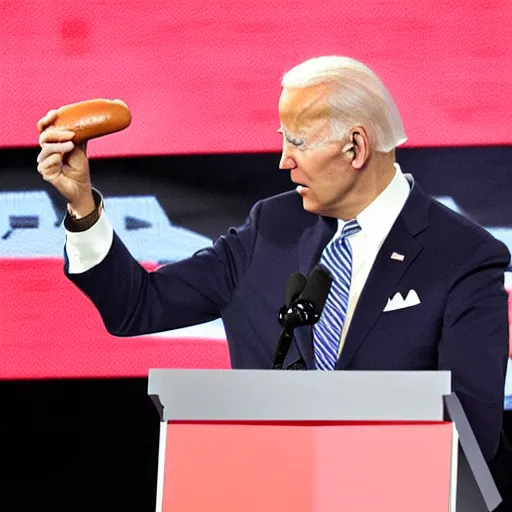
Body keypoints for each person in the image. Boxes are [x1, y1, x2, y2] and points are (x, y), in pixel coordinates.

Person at [37, 56, 510, 461]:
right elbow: (136, 306)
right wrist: (81, 203)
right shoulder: (272, 229)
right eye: (283, 138)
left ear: (357, 146)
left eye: (298, 142)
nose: (284, 160)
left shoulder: (463, 258)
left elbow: (472, 434)